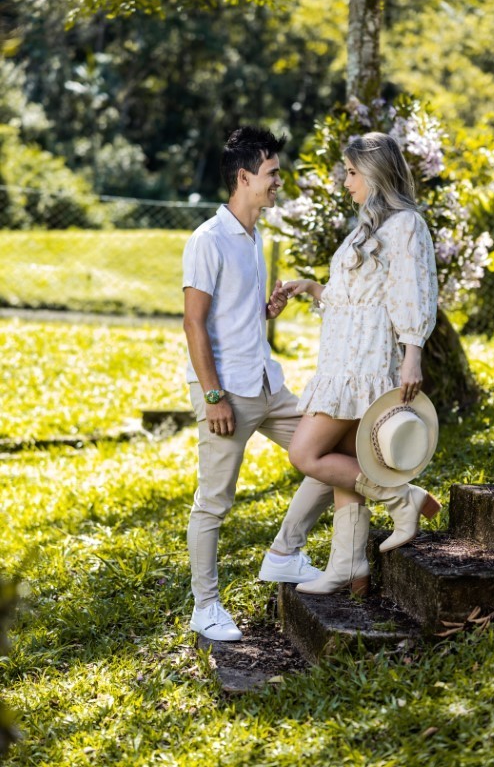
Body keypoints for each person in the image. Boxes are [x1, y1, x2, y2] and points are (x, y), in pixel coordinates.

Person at [264, 131, 441, 596]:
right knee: (347, 458)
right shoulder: (367, 226)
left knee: (305, 454)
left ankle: (400, 498)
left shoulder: (406, 224)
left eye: (352, 172)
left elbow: (413, 294)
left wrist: (413, 354)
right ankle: (349, 565)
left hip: (366, 362)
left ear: (376, 173)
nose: (346, 181)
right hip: (340, 359)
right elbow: (354, 298)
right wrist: (311, 288)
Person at [182, 126, 333, 642]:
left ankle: (285, 552)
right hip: (227, 394)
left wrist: (265, 311)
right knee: (213, 502)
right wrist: (213, 397)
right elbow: (194, 323)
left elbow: (230, 314)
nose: (278, 182)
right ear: (244, 177)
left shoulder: (254, 236)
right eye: (272, 173)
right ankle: (205, 607)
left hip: (269, 384)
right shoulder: (208, 240)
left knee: (329, 453)